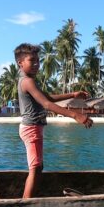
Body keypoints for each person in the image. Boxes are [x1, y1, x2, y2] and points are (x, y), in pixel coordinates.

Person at [15, 43, 94, 198]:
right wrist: (75, 115)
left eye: (38, 60)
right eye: (32, 60)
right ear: (21, 63)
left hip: (32, 128)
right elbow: (47, 104)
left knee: (37, 167)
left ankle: (28, 198)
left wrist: (73, 94)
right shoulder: (27, 81)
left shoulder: (29, 80)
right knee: (36, 168)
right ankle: (26, 203)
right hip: (31, 128)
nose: (37, 64)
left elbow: (48, 97)